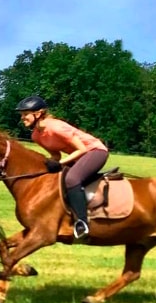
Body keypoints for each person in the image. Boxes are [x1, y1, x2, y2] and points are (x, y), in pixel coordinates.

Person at [16, 95, 108, 241]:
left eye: (25, 114)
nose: (22, 118)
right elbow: (55, 155)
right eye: (21, 115)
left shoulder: (56, 127)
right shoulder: (36, 135)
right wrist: (46, 164)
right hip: (78, 157)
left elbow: (82, 149)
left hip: (95, 152)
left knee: (72, 179)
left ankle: (82, 224)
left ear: (38, 114)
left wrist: (60, 163)